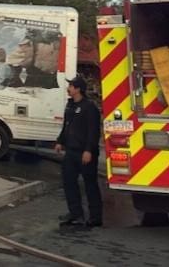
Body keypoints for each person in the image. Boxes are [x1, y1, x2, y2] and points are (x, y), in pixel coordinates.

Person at [54, 75, 102, 227]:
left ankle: (95, 217)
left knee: (90, 184)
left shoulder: (89, 107)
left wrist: (88, 150)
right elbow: (66, 126)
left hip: (85, 152)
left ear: (78, 89)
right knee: (69, 183)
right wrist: (60, 142)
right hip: (71, 151)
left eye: (71, 87)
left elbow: (93, 131)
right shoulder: (70, 106)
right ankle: (76, 214)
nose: (68, 89)